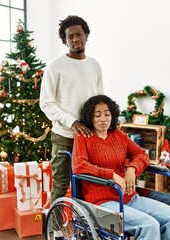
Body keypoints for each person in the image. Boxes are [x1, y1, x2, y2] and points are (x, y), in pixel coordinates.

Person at [72, 95, 170, 240]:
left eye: (107, 114)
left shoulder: (118, 135)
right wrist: (111, 175)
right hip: (102, 203)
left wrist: (132, 169)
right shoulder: (83, 137)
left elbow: (141, 154)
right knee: (149, 225)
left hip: (128, 197)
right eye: (97, 115)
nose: (103, 119)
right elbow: (79, 166)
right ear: (89, 117)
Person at [40, 15, 104, 206]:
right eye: (70, 37)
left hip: (89, 138)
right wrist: (72, 121)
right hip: (63, 136)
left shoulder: (95, 65)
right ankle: (56, 231)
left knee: (88, 186)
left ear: (86, 35)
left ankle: (84, 228)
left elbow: (100, 100)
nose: (75, 39)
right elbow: (46, 103)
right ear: (65, 41)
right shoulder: (54, 67)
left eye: (79, 34)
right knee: (60, 185)